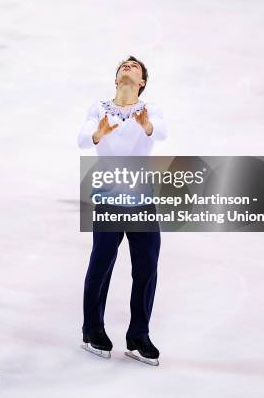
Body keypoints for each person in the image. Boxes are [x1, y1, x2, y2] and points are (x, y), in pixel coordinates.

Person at [77, 56, 167, 365]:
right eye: (123, 66)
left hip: (141, 198)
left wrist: (148, 126)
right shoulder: (99, 108)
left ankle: (138, 335)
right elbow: (81, 139)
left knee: (147, 266)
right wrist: (97, 134)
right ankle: (92, 330)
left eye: (135, 66)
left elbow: (162, 132)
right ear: (117, 79)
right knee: (101, 263)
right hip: (108, 195)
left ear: (142, 82)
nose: (128, 67)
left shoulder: (150, 110)